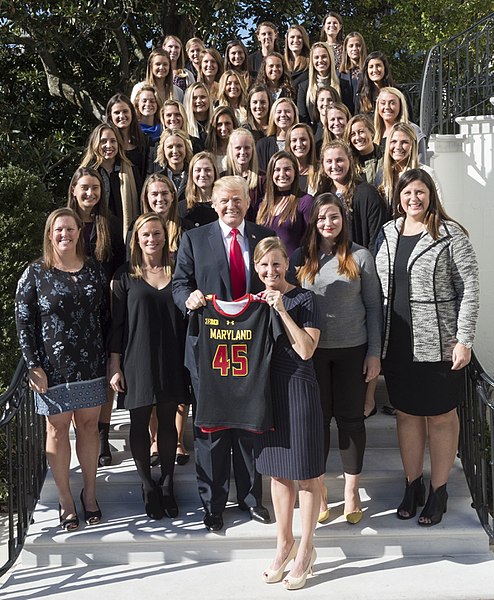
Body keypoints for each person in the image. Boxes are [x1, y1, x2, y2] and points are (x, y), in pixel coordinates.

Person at [374, 169, 480, 526]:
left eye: (420, 192)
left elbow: (470, 288)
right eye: (407, 193)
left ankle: (438, 490)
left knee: (439, 417)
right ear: (399, 196)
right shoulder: (388, 233)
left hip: (439, 343)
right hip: (397, 342)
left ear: (431, 195)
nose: (413, 199)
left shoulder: (451, 235)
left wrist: (464, 339)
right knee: (406, 414)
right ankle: (412, 484)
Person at [172, 176, 275, 532]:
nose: (231, 206)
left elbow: (277, 279)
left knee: (249, 426)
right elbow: (179, 283)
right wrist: (189, 298)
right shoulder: (194, 239)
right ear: (213, 204)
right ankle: (213, 504)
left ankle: (251, 499)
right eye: (224, 200)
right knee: (212, 429)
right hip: (208, 352)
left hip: (252, 351)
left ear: (249, 203)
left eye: (238, 200)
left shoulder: (264, 238)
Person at [290, 194, 382, 526]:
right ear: (313, 223)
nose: (329, 224)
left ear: (343, 219)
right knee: (318, 422)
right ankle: (322, 489)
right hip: (313, 353)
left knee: (351, 421)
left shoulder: (360, 256)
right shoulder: (302, 257)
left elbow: (374, 307)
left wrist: (374, 353)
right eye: (322, 219)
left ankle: (352, 491)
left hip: (352, 350)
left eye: (334, 217)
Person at [15, 208, 109, 530]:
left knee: (88, 428)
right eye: (59, 230)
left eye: (70, 229)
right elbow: (24, 321)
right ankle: (66, 500)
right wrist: (32, 365)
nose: (64, 235)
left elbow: (105, 318)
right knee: (56, 430)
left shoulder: (94, 271)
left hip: (91, 365)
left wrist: (111, 360)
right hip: (52, 371)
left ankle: (90, 496)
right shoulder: (35, 273)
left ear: (79, 233)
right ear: (50, 234)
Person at [109, 213, 189, 520]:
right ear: (137, 240)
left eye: (157, 233)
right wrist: (115, 364)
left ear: (164, 237)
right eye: (146, 235)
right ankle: (147, 485)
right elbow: (117, 325)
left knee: (169, 423)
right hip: (136, 358)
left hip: (172, 355)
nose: (152, 239)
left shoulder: (179, 272)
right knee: (139, 423)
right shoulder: (125, 275)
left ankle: (167, 484)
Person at [254, 237, 323, 590]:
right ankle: (284, 544)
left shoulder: (305, 299)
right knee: (278, 474)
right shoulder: (254, 302)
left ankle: (307, 549)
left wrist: (282, 309)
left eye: (276, 264)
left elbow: (307, 350)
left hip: (298, 387)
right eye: (264, 265)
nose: (271, 271)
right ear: (256, 268)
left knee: (307, 475)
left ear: (287, 265)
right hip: (268, 392)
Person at [67, 168, 126, 467]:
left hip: (102, 308)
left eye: (95, 189)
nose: (90, 194)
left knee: (104, 373)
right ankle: (82, 431)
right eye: (85, 188)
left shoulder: (110, 224)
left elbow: (119, 264)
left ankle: (102, 435)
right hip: (70, 312)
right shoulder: (63, 223)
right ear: (74, 190)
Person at [317, 139, 387, 251]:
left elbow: (377, 238)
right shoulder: (320, 196)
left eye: (339, 160)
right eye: (329, 161)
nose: (334, 166)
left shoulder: (367, 194)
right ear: (323, 164)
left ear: (350, 160)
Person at [80, 122, 141, 242]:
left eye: (113, 141)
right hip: (93, 235)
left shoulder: (131, 170)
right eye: (103, 141)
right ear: (95, 144)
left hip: (124, 237)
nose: (109, 145)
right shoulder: (86, 174)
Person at [375, 122, 443, 213]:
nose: (398, 147)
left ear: (413, 145)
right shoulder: (382, 174)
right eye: (393, 141)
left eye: (404, 142)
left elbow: (437, 209)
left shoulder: (427, 173)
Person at [256, 150, 313, 256]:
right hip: (267, 268)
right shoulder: (261, 204)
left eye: (287, 169)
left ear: (295, 172)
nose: (282, 174)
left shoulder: (305, 201)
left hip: (294, 268)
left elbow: (311, 239)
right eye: (277, 170)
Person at [374, 86, 427, 164]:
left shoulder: (413, 130)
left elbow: (421, 163)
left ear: (400, 106)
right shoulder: (373, 131)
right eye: (383, 103)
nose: (387, 107)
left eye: (392, 103)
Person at [106, 93, 148, 181]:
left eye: (125, 111)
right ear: (110, 116)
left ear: (132, 113)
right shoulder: (106, 144)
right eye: (117, 113)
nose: (122, 116)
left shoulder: (145, 141)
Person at [296, 42, 340, 127]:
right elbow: (303, 118)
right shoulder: (304, 87)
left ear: (330, 58)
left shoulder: (342, 84)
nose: (320, 60)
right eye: (316, 57)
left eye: (324, 57)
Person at [225, 128, 266, 217]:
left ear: (252, 149)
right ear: (231, 149)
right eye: (238, 148)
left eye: (247, 148)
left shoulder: (263, 179)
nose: (242, 152)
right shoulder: (222, 179)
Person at [256, 97, 299, 172]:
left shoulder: (300, 144)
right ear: (273, 116)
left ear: (294, 115)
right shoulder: (262, 145)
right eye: (279, 112)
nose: (283, 115)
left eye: (287, 111)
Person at [179, 151, 219, 228]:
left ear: (214, 172)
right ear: (191, 174)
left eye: (207, 170)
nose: (203, 174)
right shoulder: (182, 207)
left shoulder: (222, 205)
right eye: (198, 170)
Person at [154, 128, 193, 202]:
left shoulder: (194, 177)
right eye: (170, 147)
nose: (175, 151)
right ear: (163, 150)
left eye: (179, 146)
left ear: (186, 148)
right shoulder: (155, 180)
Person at [344, 114, 383, 185]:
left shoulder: (385, 157)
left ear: (371, 132)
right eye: (353, 134)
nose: (358, 138)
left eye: (361, 132)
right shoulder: (349, 162)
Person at [339, 32, 367, 115]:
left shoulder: (369, 71)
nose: (354, 49)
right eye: (351, 46)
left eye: (358, 45)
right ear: (346, 49)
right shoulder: (340, 74)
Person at [204, 105, 238, 173]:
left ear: (233, 124)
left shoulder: (239, 150)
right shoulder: (207, 151)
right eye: (219, 124)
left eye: (227, 123)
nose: (224, 128)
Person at [286, 123, 318, 194]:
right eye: (294, 140)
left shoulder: (321, 171)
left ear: (310, 142)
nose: (299, 144)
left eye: (303, 139)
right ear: (289, 144)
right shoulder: (284, 172)